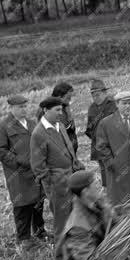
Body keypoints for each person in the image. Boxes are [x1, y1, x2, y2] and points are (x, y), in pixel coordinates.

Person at [0, 94, 47, 248]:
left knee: (38, 201)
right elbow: (0, 151)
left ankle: (40, 231)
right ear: (11, 108)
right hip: (18, 174)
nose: (24, 109)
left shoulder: (32, 123)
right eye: (20, 107)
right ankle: (23, 239)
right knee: (22, 204)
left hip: (35, 171)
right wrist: (18, 162)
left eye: (25, 106)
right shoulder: (3, 127)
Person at [30, 96, 84, 244]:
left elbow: (69, 149)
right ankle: (62, 253)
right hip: (56, 183)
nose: (61, 113)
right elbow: (38, 165)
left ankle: (74, 245)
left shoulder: (60, 125)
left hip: (71, 177)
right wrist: (52, 183)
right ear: (46, 110)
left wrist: (75, 164)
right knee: (61, 219)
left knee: (74, 214)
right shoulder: (39, 133)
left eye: (62, 109)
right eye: (57, 110)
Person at [95, 91, 130, 207]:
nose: (128, 106)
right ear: (117, 104)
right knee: (120, 206)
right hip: (118, 172)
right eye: (124, 103)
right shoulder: (106, 123)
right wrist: (112, 163)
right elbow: (101, 147)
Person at [85, 78, 117, 187]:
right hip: (98, 145)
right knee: (104, 169)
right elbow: (89, 129)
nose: (95, 98)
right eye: (93, 95)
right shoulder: (92, 108)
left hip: (113, 145)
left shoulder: (113, 104)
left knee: (115, 168)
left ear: (105, 93)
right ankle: (107, 190)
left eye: (97, 95)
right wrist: (98, 139)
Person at [52, 82, 78, 155]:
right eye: (68, 98)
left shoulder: (65, 107)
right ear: (59, 96)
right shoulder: (49, 110)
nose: (70, 100)